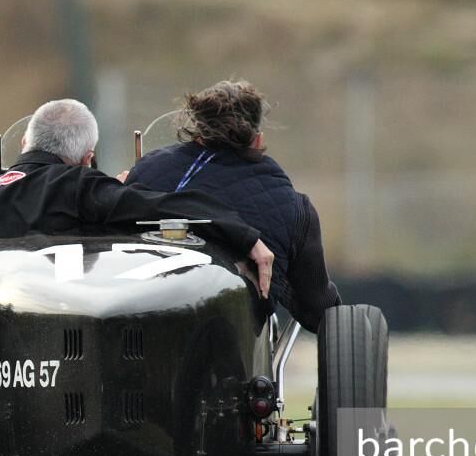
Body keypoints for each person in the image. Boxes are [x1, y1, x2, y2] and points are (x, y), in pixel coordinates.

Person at [0, 99, 275, 337]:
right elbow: (168, 205)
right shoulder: (80, 189)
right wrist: (247, 237)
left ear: (24, 143)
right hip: (62, 370)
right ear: (87, 158)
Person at [123, 80, 341, 332]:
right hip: (233, 342)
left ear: (198, 134)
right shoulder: (293, 206)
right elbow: (318, 312)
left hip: (137, 321)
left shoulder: (147, 170)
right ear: (257, 140)